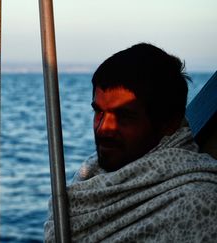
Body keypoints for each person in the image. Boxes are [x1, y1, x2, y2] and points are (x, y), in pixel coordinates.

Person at [44, 43, 217, 242]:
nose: (103, 128)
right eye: (99, 111)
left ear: (169, 122)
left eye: (124, 115)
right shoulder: (90, 177)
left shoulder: (199, 204)